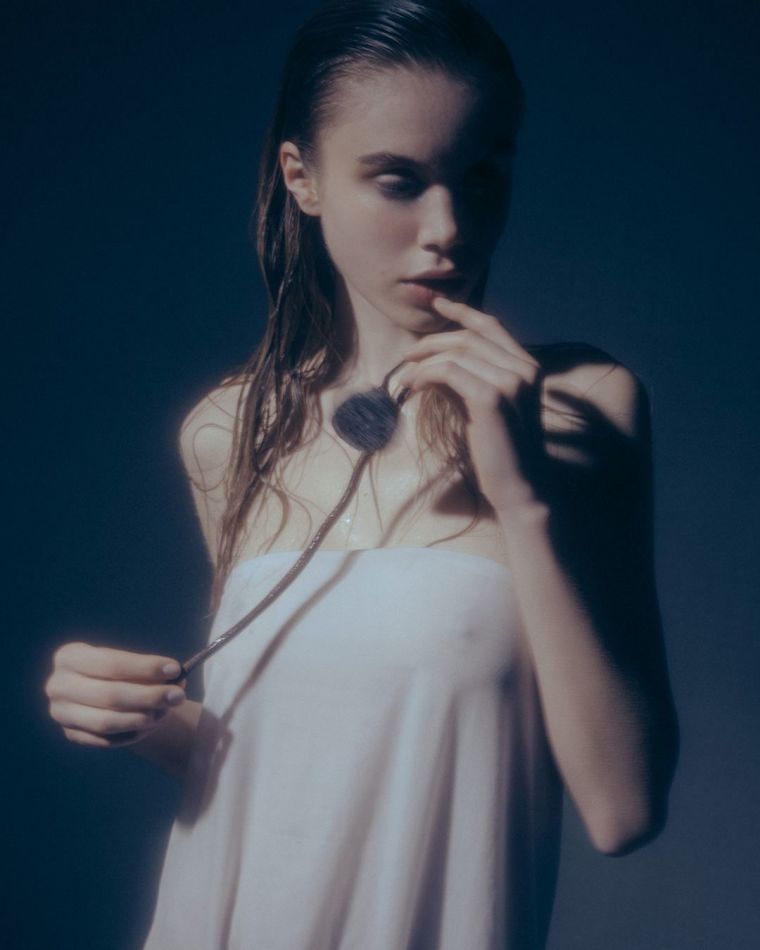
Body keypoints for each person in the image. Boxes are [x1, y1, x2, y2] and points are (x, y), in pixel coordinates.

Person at [44, 1, 679, 947]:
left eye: (482, 176)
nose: (448, 228)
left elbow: (623, 808)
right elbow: (269, 753)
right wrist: (133, 715)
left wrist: (524, 500)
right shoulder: (228, 430)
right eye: (398, 182)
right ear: (301, 178)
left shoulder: (583, 406)